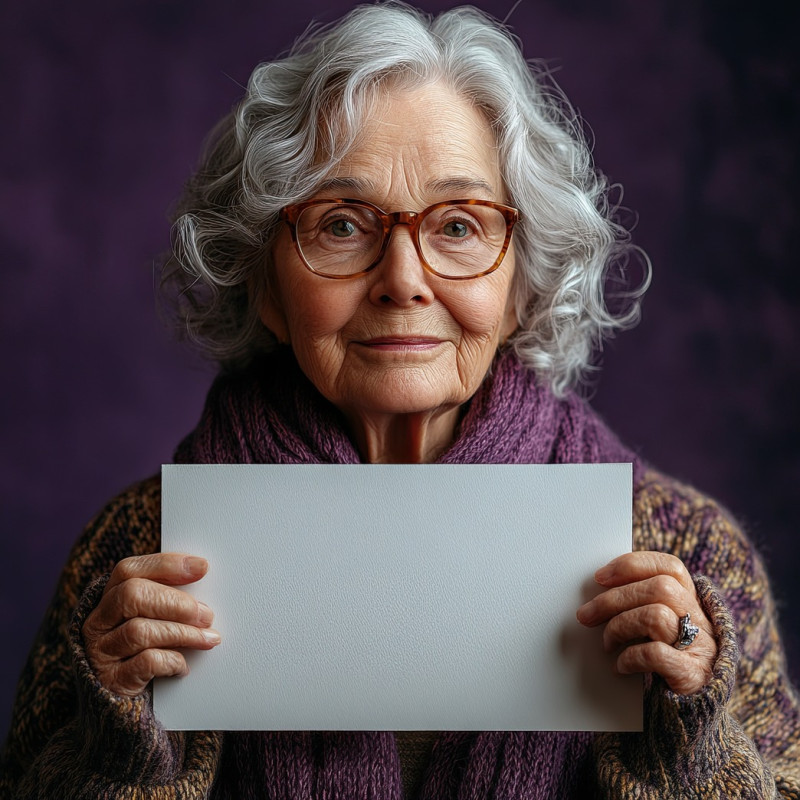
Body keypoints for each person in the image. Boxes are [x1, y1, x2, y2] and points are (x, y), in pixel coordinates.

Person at [2, 3, 798, 798]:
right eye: (342, 224)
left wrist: (690, 743)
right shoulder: (137, 561)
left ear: (522, 283)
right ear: (265, 283)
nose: (404, 280)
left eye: (459, 224)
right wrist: (118, 749)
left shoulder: (691, 559)